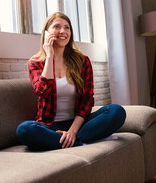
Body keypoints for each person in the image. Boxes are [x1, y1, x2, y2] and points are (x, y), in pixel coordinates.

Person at [16, 12, 126, 151]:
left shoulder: (82, 61)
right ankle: (81, 143)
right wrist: (49, 57)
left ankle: (70, 139)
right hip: (50, 125)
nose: (63, 31)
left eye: (67, 27)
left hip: (79, 124)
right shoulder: (36, 63)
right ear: (46, 32)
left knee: (116, 111)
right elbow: (42, 91)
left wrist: (72, 131)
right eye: (57, 26)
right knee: (24, 130)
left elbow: (87, 99)